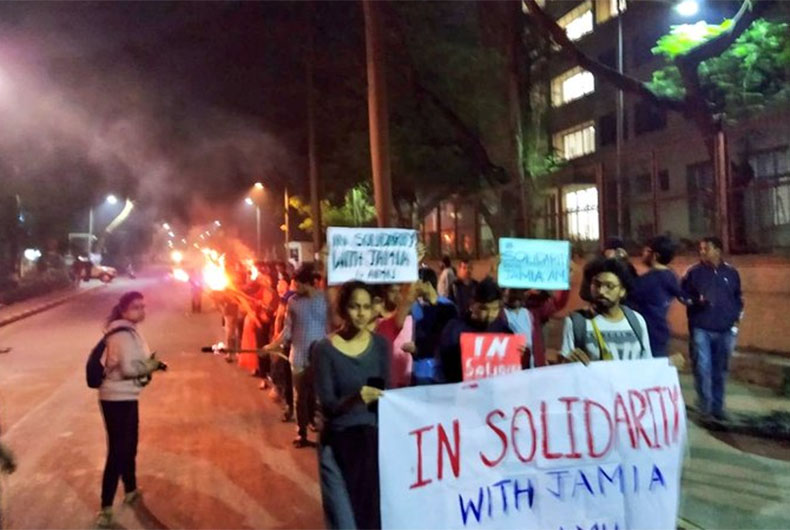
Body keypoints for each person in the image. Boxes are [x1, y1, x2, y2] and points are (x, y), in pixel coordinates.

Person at [314, 281, 390, 529]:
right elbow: (327, 405)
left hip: (369, 445)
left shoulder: (381, 346)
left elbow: (387, 397)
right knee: (344, 520)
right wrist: (355, 398)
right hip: (337, 446)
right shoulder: (324, 349)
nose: (361, 313)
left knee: (371, 518)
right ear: (343, 309)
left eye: (366, 307)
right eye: (355, 306)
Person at [96, 292, 166, 528]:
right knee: (117, 450)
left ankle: (130, 489)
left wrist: (150, 365)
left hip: (127, 396)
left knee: (130, 444)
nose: (141, 310)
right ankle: (105, 508)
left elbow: (135, 362)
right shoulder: (123, 335)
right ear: (124, 310)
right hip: (116, 399)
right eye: (136, 307)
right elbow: (128, 367)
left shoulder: (128, 331)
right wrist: (151, 366)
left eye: (142, 306)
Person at [264, 264, 328, 447]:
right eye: (294, 284)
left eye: (299, 285)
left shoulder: (325, 300)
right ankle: (301, 433)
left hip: (320, 356)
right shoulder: (294, 303)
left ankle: (321, 429)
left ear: (311, 283)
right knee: (299, 397)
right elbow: (288, 331)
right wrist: (273, 345)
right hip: (298, 356)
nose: (295, 288)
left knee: (319, 396)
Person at [681, 237, 743, 422]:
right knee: (702, 368)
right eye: (700, 249)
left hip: (725, 329)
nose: (702, 252)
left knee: (720, 369)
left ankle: (718, 407)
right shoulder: (693, 272)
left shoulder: (731, 273)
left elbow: (738, 298)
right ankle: (705, 408)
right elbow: (682, 295)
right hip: (701, 328)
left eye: (706, 249)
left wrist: (735, 322)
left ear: (717, 250)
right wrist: (695, 302)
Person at [562, 258, 652, 364]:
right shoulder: (576, 322)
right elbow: (566, 365)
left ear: (622, 291)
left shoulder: (637, 320)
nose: (601, 291)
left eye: (609, 286)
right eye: (597, 284)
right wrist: (567, 361)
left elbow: (647, 364)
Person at [438, 277, 512, 383]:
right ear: (472, 304)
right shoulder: (455, 329)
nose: (490, 314)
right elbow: (444, 366)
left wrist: (520, 352)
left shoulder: (503, 329)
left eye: (495, 309)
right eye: (484, 309)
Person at [629, 236, 689, 358]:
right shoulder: (671, 276)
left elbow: (626, 296)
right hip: (661, 332)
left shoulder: (647, 281)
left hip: (646, 332)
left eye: (646, 251)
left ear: (655, 256)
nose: (643, 254)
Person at [411, 268, 458, 385]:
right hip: (417, 370)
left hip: (438, 370)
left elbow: (442, 337)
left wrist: (418, 349)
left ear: (426, 284)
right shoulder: (413, 306)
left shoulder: (448, 308)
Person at [579, 237, 637, 303]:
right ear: (606, 251)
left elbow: (633, 286)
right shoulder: (594, 266)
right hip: (598, 305)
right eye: (612, 250)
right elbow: (584, 293)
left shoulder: (625, 266)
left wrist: (625, 262)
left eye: (618, 251)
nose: (615, 253)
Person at [502, 288, 533, 368]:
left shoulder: (526, 312)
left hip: (529, 351)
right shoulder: (504, 313)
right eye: (505, 296)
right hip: (516, 351)